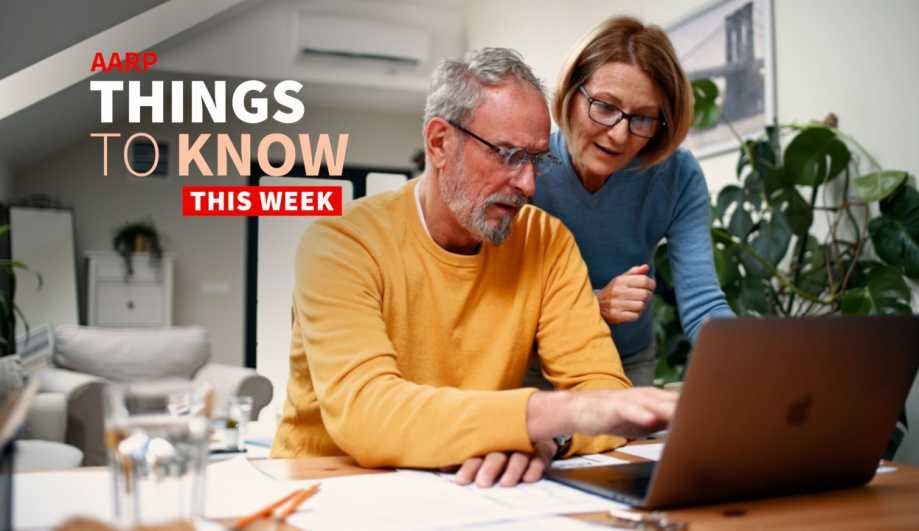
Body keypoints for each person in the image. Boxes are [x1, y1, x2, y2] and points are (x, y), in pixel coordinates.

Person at [271, 48, 677, 488]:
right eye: (507, 154)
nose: (528, 184)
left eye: (537, 159)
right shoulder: (341, 244)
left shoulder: (547, 242)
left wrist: (550, 437)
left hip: (468, 490)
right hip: (322, 490)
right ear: (440, 142)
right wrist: (543, 415)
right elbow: (366, 412)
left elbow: (605, 392)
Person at [531, 16, 734, 386]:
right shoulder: (527, 165)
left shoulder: (677, 175)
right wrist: (594, 304)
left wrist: (755, 359)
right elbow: (498, 303)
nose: (619, 134)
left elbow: (702, 302)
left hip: (624, 360)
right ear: (571, 92)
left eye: (642, 118)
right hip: (534, 360)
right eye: (605, 106)